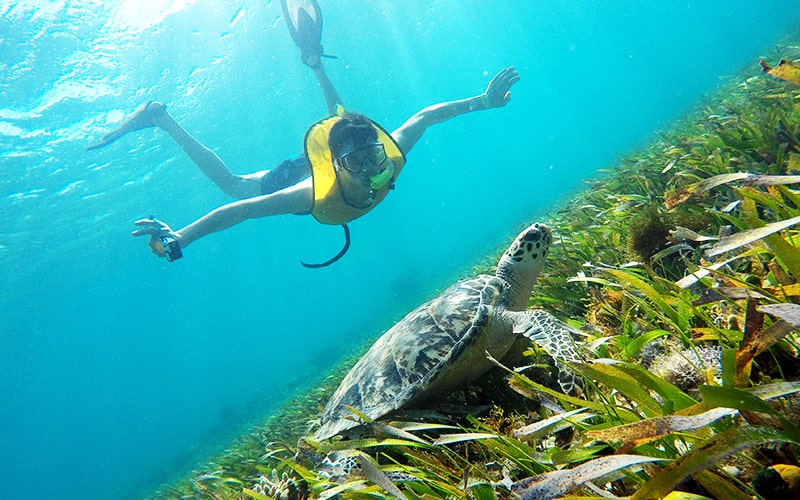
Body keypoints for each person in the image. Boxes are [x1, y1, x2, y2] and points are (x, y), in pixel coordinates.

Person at [87, 0, 520, 267]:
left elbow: (423, 117)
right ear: (337, 165)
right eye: (357, 162)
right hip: (301, 173)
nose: (373, 166)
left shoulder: (390, 153)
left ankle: (315, 63)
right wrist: (180, 237)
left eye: (373, 155)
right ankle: (160, 117)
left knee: (340, 116)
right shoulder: (309, 192)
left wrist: (482, 101)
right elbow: (243, 211)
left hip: (331, 152)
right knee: (232, 186)